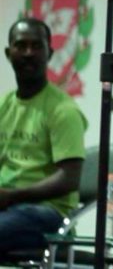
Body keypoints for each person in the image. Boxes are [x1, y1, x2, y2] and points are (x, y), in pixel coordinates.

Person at [0, 18, 88, 253]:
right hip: (8, 209)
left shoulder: (63, 110)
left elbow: (69, 178)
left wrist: (12, 197)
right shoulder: (4, 106)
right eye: (21, 46)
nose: (29, 53)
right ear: (9, 53)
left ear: (50, 53)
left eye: (37, 46)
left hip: (48, 213)